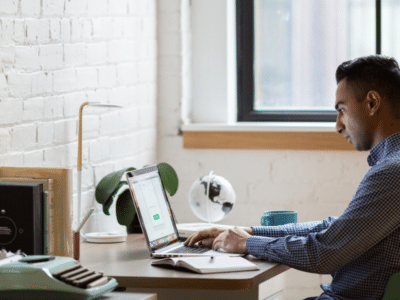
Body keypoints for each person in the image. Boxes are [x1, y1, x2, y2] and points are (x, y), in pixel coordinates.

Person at [184, 55, 400, 300]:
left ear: (372, 103)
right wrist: (251, 233)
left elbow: (324, 254)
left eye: (342, 110)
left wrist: (247, 244)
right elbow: (332, 229)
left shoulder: (392, 172)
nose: (338, 125)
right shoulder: (390, 167)